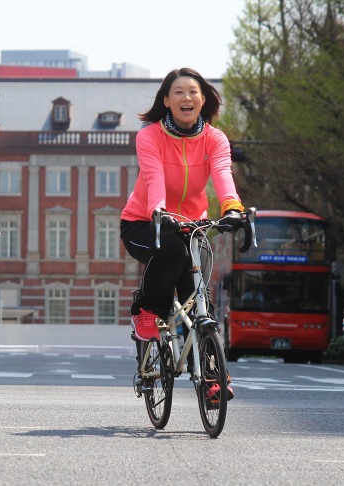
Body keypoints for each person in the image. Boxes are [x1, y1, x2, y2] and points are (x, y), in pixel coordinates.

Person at [120, 68, 245, 401]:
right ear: (166, 100)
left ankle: (212, 380)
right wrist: (159, 211)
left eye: (193, 91)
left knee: (198, 300)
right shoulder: (150, 136)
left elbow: (221, 173)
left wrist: (233, 208)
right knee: (173, 252)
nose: (186, 97)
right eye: (178, 92)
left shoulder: (215, 139)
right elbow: (153, 176)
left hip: (191, 227)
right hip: (143, 222)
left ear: (203, 99)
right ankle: (145, 311)